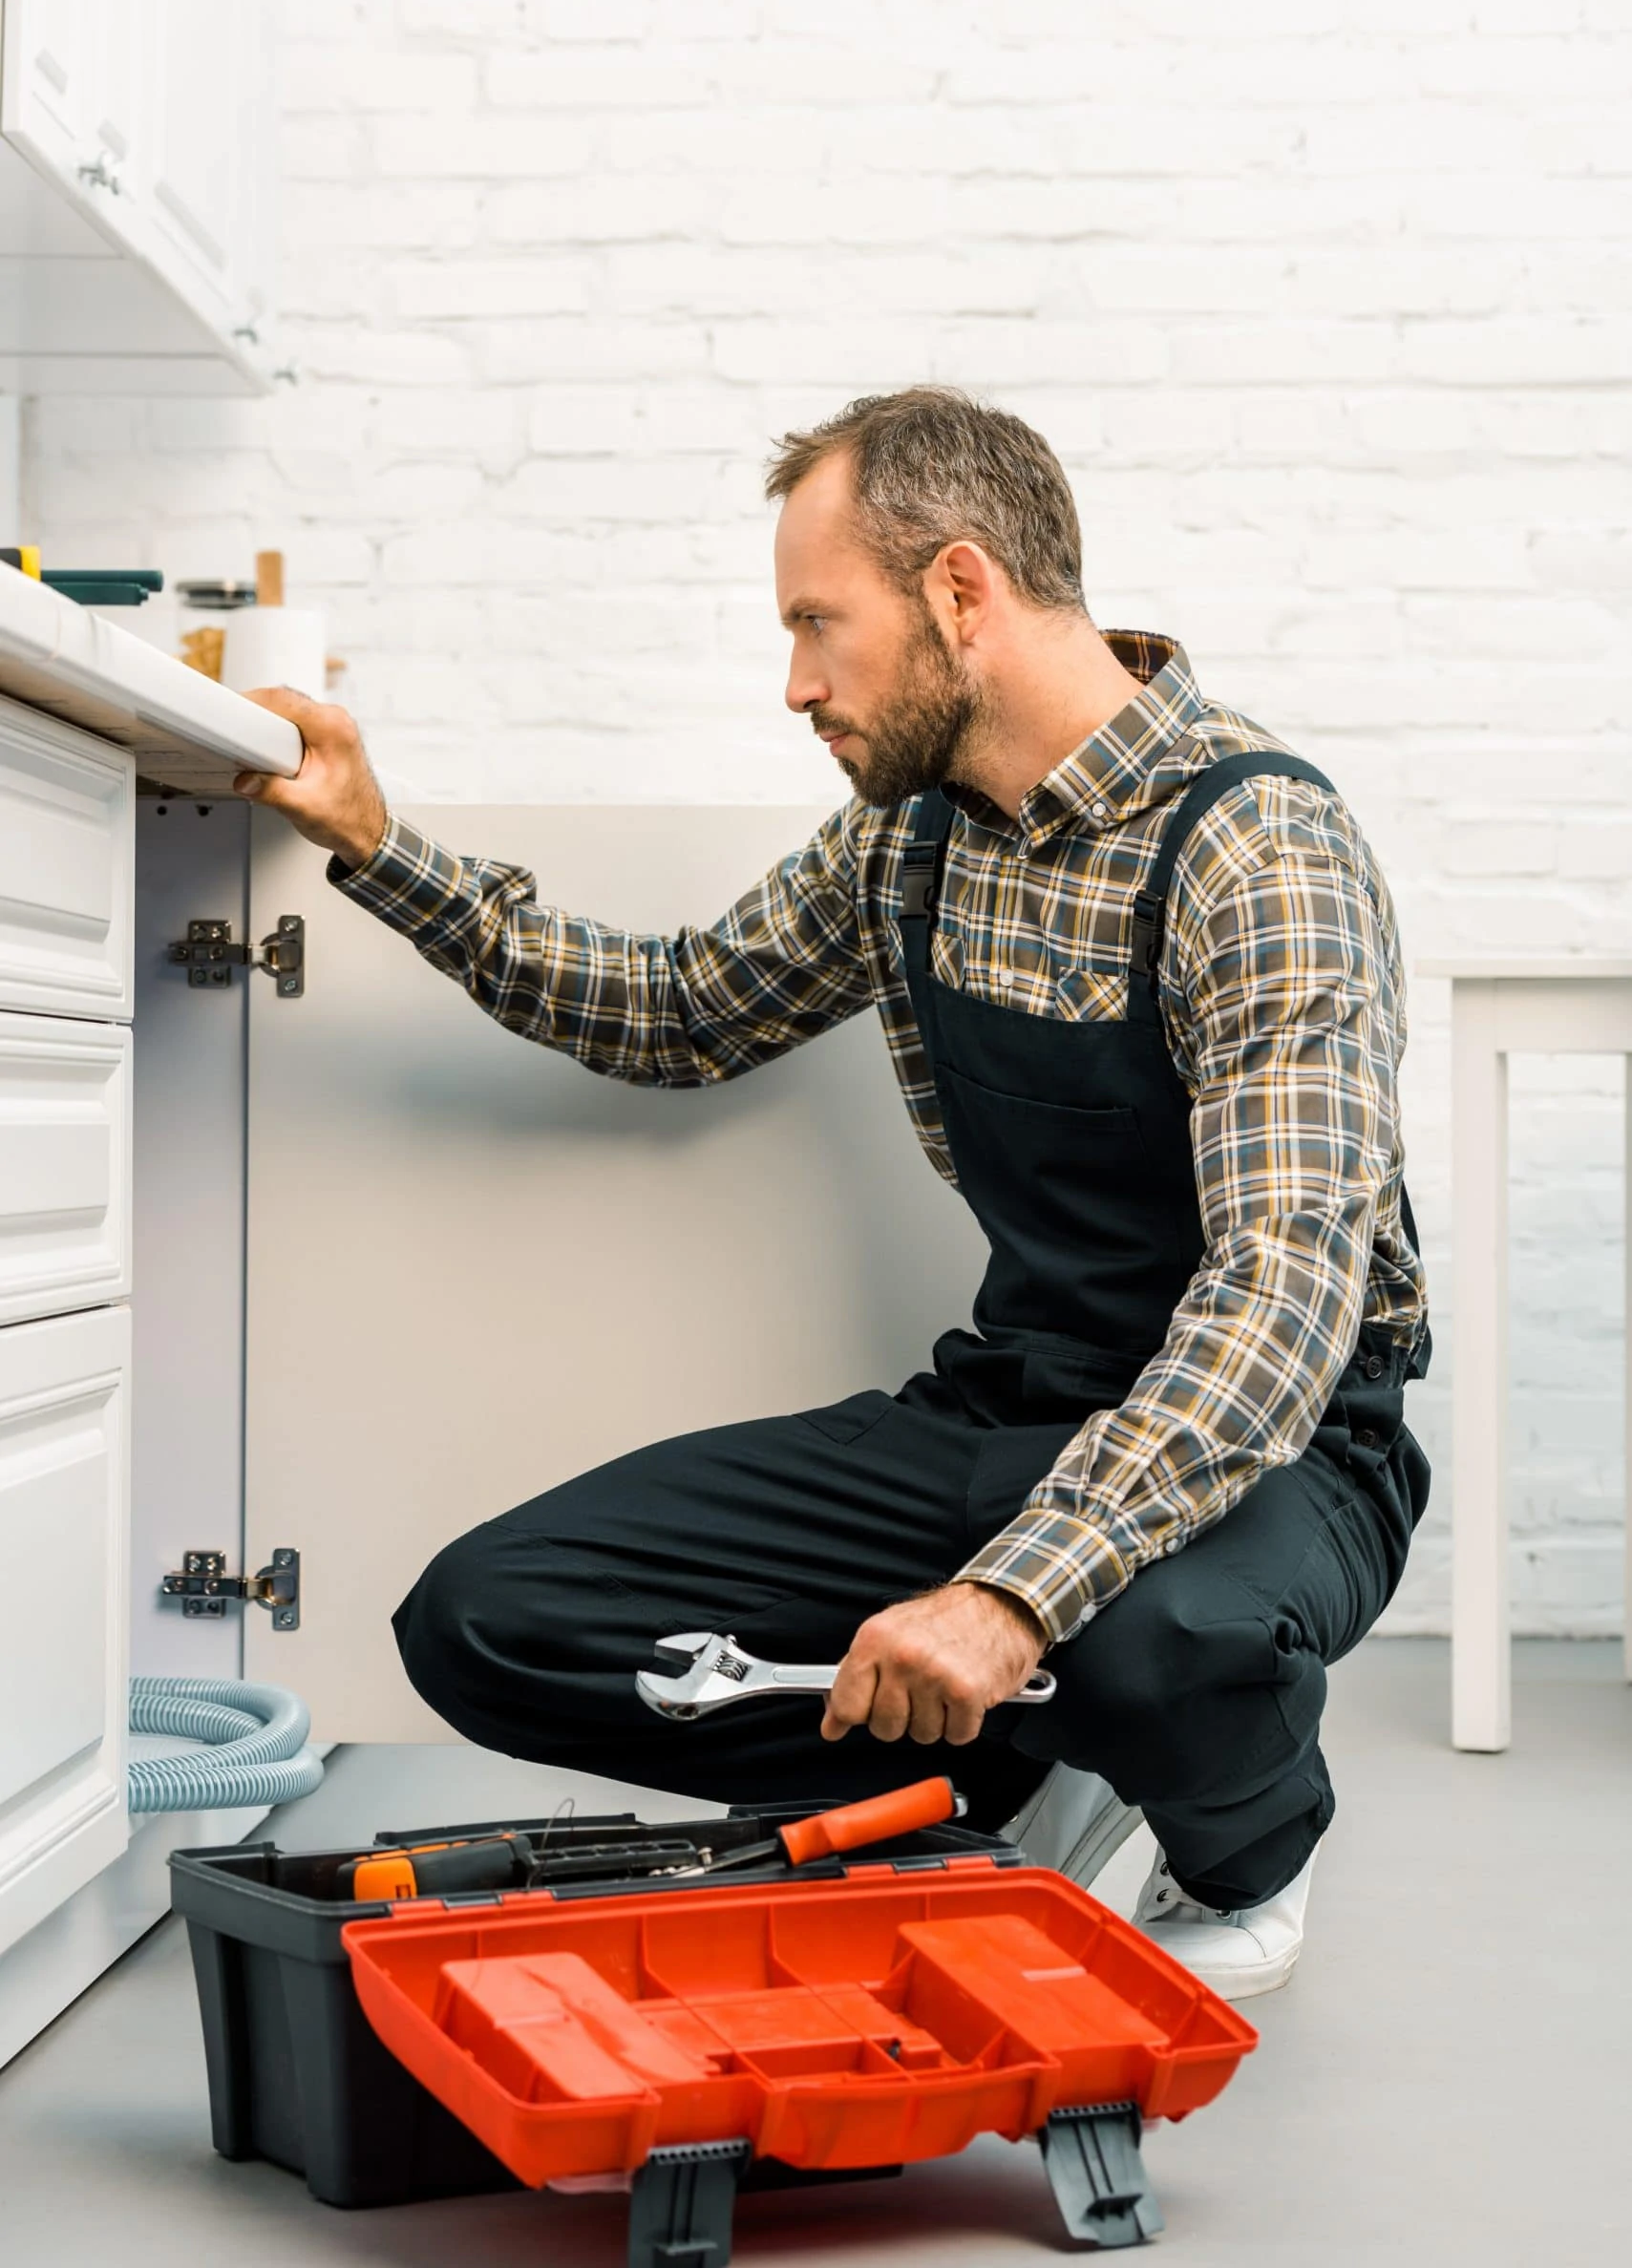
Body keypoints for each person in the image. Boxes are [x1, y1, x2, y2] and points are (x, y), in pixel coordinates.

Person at [236, 387, 1430, 1999]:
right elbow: (672, 1010)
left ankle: (1241, 1853)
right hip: (1017, 1405)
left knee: (1161, 1641)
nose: (795, 683)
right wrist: (384, 850)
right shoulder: (910, 841)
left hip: (1282, 1442)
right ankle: (972, 1773)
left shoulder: (1255, 845)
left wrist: (1015, 1596)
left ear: (958, 592)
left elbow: (1281, 1301)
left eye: (818, 623)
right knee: (489, 1614)